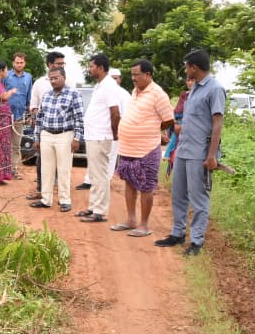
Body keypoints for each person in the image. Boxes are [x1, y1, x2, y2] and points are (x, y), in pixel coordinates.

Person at [156, 50, 225, 256]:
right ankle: (177, 234)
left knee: (199, 199)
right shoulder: (193, 89)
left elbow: (217, 125)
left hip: (200, 153)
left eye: (186, 66)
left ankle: (196, 241)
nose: (185, 70)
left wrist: (211, 155)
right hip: (184, 150)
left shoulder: (215, 89)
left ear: (194, 67)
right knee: (178, 195)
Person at [109, 59, 174, 237]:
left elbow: (168, 119)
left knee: (146, 186)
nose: (133, 78)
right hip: (128, 147)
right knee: (129, 182)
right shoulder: (136, 91)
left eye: (136, 74)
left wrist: (153, 129)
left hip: (146, 148)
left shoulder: (158, 94)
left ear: (148, 75)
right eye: (132, 74)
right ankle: (130, 219)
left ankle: (144, 225)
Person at [30, 66, 83, 212]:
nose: (53, 81)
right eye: (51, 79)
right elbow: (39, 118)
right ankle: (46, 199)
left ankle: (65, 200)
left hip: (65, 135)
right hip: (46, 135)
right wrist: (37, 137)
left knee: (64, 169)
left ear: (64, 78)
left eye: (56, 78)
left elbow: (79, 118)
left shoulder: (74, 94)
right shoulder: (47, 95)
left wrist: (77, 138)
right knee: (46, 169)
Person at [76, 53, 121, 223]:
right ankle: (93, 207)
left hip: (101, 136)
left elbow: (115, 112)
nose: (90, 69)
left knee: (100, 174)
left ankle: (100, 212)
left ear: (101, 68)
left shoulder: (109, 85)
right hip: (93, 135)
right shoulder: (100, 85)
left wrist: (114, 134)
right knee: (94, 174)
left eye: (92, 66)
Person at [27, 51, 65, 200]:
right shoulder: (39, 83)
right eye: (58, 63)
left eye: (63, 64)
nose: (61, 66)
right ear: (50, 65)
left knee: (62, 161)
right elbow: (34, 103)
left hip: (63, 129)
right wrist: (37, 115)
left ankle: (62, 194)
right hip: (43, 128)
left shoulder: (68, 82)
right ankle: (41, 190)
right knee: (42, 159)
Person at [4, 52, 33, 162]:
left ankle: (13, 169)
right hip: (5, 114)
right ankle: (3, 169)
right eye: (17, 63)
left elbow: (29, 97)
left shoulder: (28, 77)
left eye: (21, 63)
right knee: (4, 143)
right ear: (13, 63)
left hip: (20, 116)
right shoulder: (6, 76)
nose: (19, 65)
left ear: (25, 63)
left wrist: (29, 115)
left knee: (16, 144)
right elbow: (1, 93)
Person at [163, 76, 195, 177]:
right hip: (179, 123)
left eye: (192, 80)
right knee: (174, 140)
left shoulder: (200, 95)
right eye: (188, 80)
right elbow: (178, 110)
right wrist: (176, 122)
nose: (190, 83)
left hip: (192, 129)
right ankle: (168, 158)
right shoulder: (184, 95)